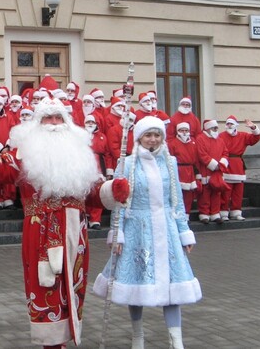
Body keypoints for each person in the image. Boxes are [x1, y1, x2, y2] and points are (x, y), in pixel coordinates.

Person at [0, 97, 125, 348]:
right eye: (47, 118)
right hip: (40, 233)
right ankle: (51, 344)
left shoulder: (80, 155)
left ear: (67, 122)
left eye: (58, 117)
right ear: (37, 123)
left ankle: (64, 339)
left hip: (75, 234)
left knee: (72, 288)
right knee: (44, 290)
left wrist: (113, 190)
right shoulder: (24, 154)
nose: (54, 123)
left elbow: (92, 192)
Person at [93, 116, 202, 349]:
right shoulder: (128, 164)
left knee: (174, 285)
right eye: (148, 135)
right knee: (137, 284)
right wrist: (117, 233)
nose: (153, 140)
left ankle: (176, 340)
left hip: (167, 229)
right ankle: (138, 336)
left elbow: (177, 201)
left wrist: (184, 232)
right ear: (139, 137)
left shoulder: (170, 163)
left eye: (157, 135)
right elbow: (119, 201)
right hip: (138, 229)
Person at [218, 115, 260, 221]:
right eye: (227, 123)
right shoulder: (221, 136)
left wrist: (253, 128)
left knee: (238, 192)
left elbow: (255, 138)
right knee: (225, 192)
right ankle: (223, 212)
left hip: (238, 166)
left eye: (231, 123)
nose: (229, 125)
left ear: (236, 125)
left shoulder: (243, 136)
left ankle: (236, 212)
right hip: (226, 164)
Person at [195, 119, 229, 224]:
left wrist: (221, 164)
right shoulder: (200, 139)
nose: (216, 130)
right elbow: (201, 154)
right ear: (208, 128)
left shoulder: (220, 140)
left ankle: (215, 213)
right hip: (206, 170)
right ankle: (204, 214)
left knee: (216, 193)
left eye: (216, 128)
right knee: (205, 193)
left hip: (217, 171)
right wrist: (214, 165)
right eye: (214, 128)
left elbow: (225, 152)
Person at [167, 123, 201, 219]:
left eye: (186, 130)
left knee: (189, 194)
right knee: (177, 193)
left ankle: (186, 213)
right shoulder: (172, 143)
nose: (184, 133)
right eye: (182, 130)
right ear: (178, 131)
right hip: (178, 170)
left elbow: (196, 159)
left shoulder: (193, 143)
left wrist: (197, 174)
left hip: (190, 170)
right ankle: (178, 213)